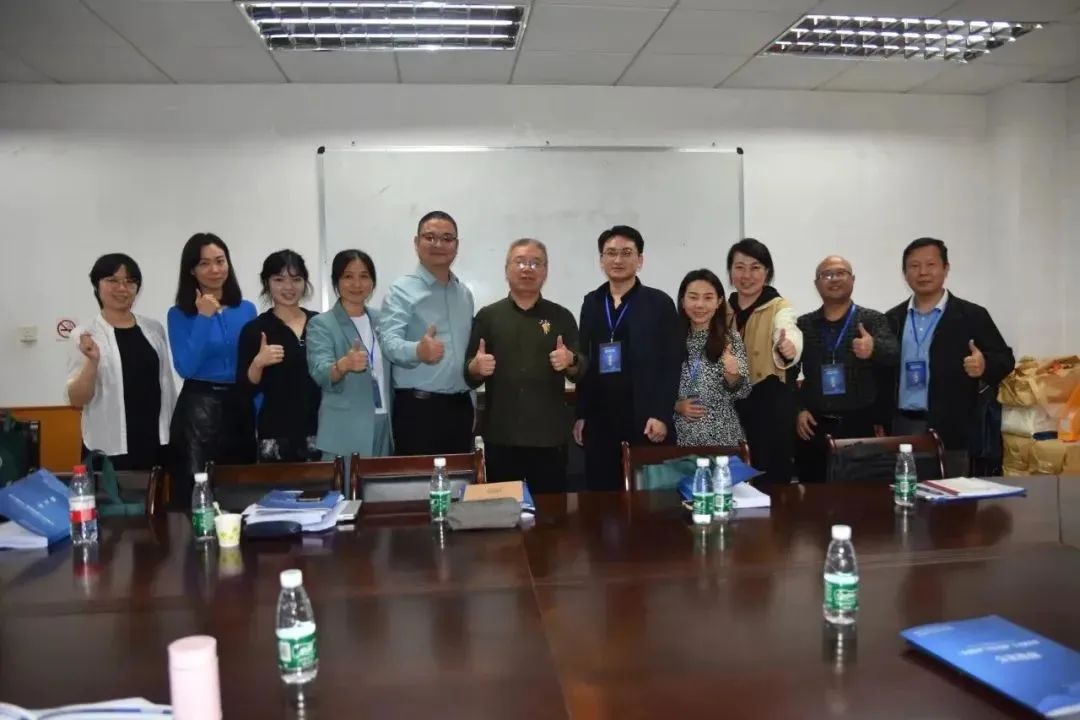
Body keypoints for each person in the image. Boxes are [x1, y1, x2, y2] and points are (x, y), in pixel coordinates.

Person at [885, 238, 1014, 477]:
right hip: (903, 426)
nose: (923, 272)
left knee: (952, 496)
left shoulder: (971, 315)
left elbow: (1005, 359)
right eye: (914, 266)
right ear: (904, 273)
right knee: (906, 492)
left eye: (931, 264)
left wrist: (984, 365)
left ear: (946, 268)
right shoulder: (892, 319)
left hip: (953, 427)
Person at [464, 239, 583, 493]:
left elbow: (580, 369)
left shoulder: (561, 316)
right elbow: (469, 374)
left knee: (551, 512)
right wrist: (476, 367)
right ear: (506, 269)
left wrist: (570, 361)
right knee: (505, 510)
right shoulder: (488, 316)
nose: (527, 268)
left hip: (549, 438)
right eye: (520, 262)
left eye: (535, 263)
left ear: (545, 271)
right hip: (501, 436)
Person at [574, 225, 681, 491]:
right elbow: (585, 361)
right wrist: (582, 414)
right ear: (601, 260)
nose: (618, 260)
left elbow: (671, 364)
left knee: (647, 501)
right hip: (600, 421)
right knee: (601, 499)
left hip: (645, 419)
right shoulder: (592, 303)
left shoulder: (659, 304)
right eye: (611, 253)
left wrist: (661, 414)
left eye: (626, 253)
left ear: (640, 260)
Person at [789, 256, 899, 483]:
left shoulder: (872, 319)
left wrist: (873, 348)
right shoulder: (804, 324)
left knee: (860, 496)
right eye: (827, 275)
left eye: (841, 273)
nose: (834, 279)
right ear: (816, 284)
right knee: (813, 494)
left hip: (860, 425)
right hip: (813, 426)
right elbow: (787, 374)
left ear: (853, 279)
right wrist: (798, 410)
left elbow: (893, 353)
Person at [167, 233, 257, 506]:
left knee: (241, 494)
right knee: (197, 497)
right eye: (204, 263)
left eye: (220, 261)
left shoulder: (246, 309)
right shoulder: (179, 314)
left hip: (240, 406)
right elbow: (186, 367)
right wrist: (203, 317)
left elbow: (253, 365)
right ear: (192, 270)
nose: (215, 269)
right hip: (198, 409)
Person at [66, 254, 176, 471]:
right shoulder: (85, 334)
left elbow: (165, 385)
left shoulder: (153, 329)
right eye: (112, 280)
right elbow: (77, 399)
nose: (122, 288)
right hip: (108, 445)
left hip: (155, 440)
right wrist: (92, 361)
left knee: (155, 493)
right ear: (97, 285)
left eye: (130, 281)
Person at [379, 211, 475, 455]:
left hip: (461, 407)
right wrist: (417, 351)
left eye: (447, 238)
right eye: (430, 237)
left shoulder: (464, 294)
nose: (438, 244)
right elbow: (388, 342)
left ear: (456, 245)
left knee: (460, 477)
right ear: (416, 242)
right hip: (419, 410)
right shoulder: (401, 290)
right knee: (418, 479)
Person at [307, 250, 392, 472]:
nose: (357, 284)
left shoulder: (382, 320)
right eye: (348, 276)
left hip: (385, 425)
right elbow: (320, 372)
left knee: (380, 492)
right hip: (344, 432)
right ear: (336, 281)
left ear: (373, 282)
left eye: (364, 276)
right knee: (345, 493)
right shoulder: (322, 324)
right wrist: (343, 365)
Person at [725, 238, 802, 484]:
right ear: (730, 272)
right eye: (739, 267)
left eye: (755, 267)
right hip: (731, 406)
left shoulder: (779, 306)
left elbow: (788, 330)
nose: (747, 275)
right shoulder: (722, 309)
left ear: (767, 272)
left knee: (770, 480)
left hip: (769, 406)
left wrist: (789, 347)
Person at [236, 250, 321, 463]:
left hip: (320, 430)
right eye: (279, 280)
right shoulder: (255, 329)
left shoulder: (321, 324)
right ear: (267, 283)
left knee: (324, 484)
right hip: (276, 434)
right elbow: (245, 389)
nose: (289, 287)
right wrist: (258, 363)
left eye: (296, 279)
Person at [674, 269, 750, 447]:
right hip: (681, 439)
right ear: (683, 301)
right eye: (693, 297)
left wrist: (733, 375)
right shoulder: (671, 340)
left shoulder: (730, 339)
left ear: (719, 302)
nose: (700, 305)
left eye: (708, 298)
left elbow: (744, 391)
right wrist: (676, 406)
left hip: (724, 437)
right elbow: (657, 387)